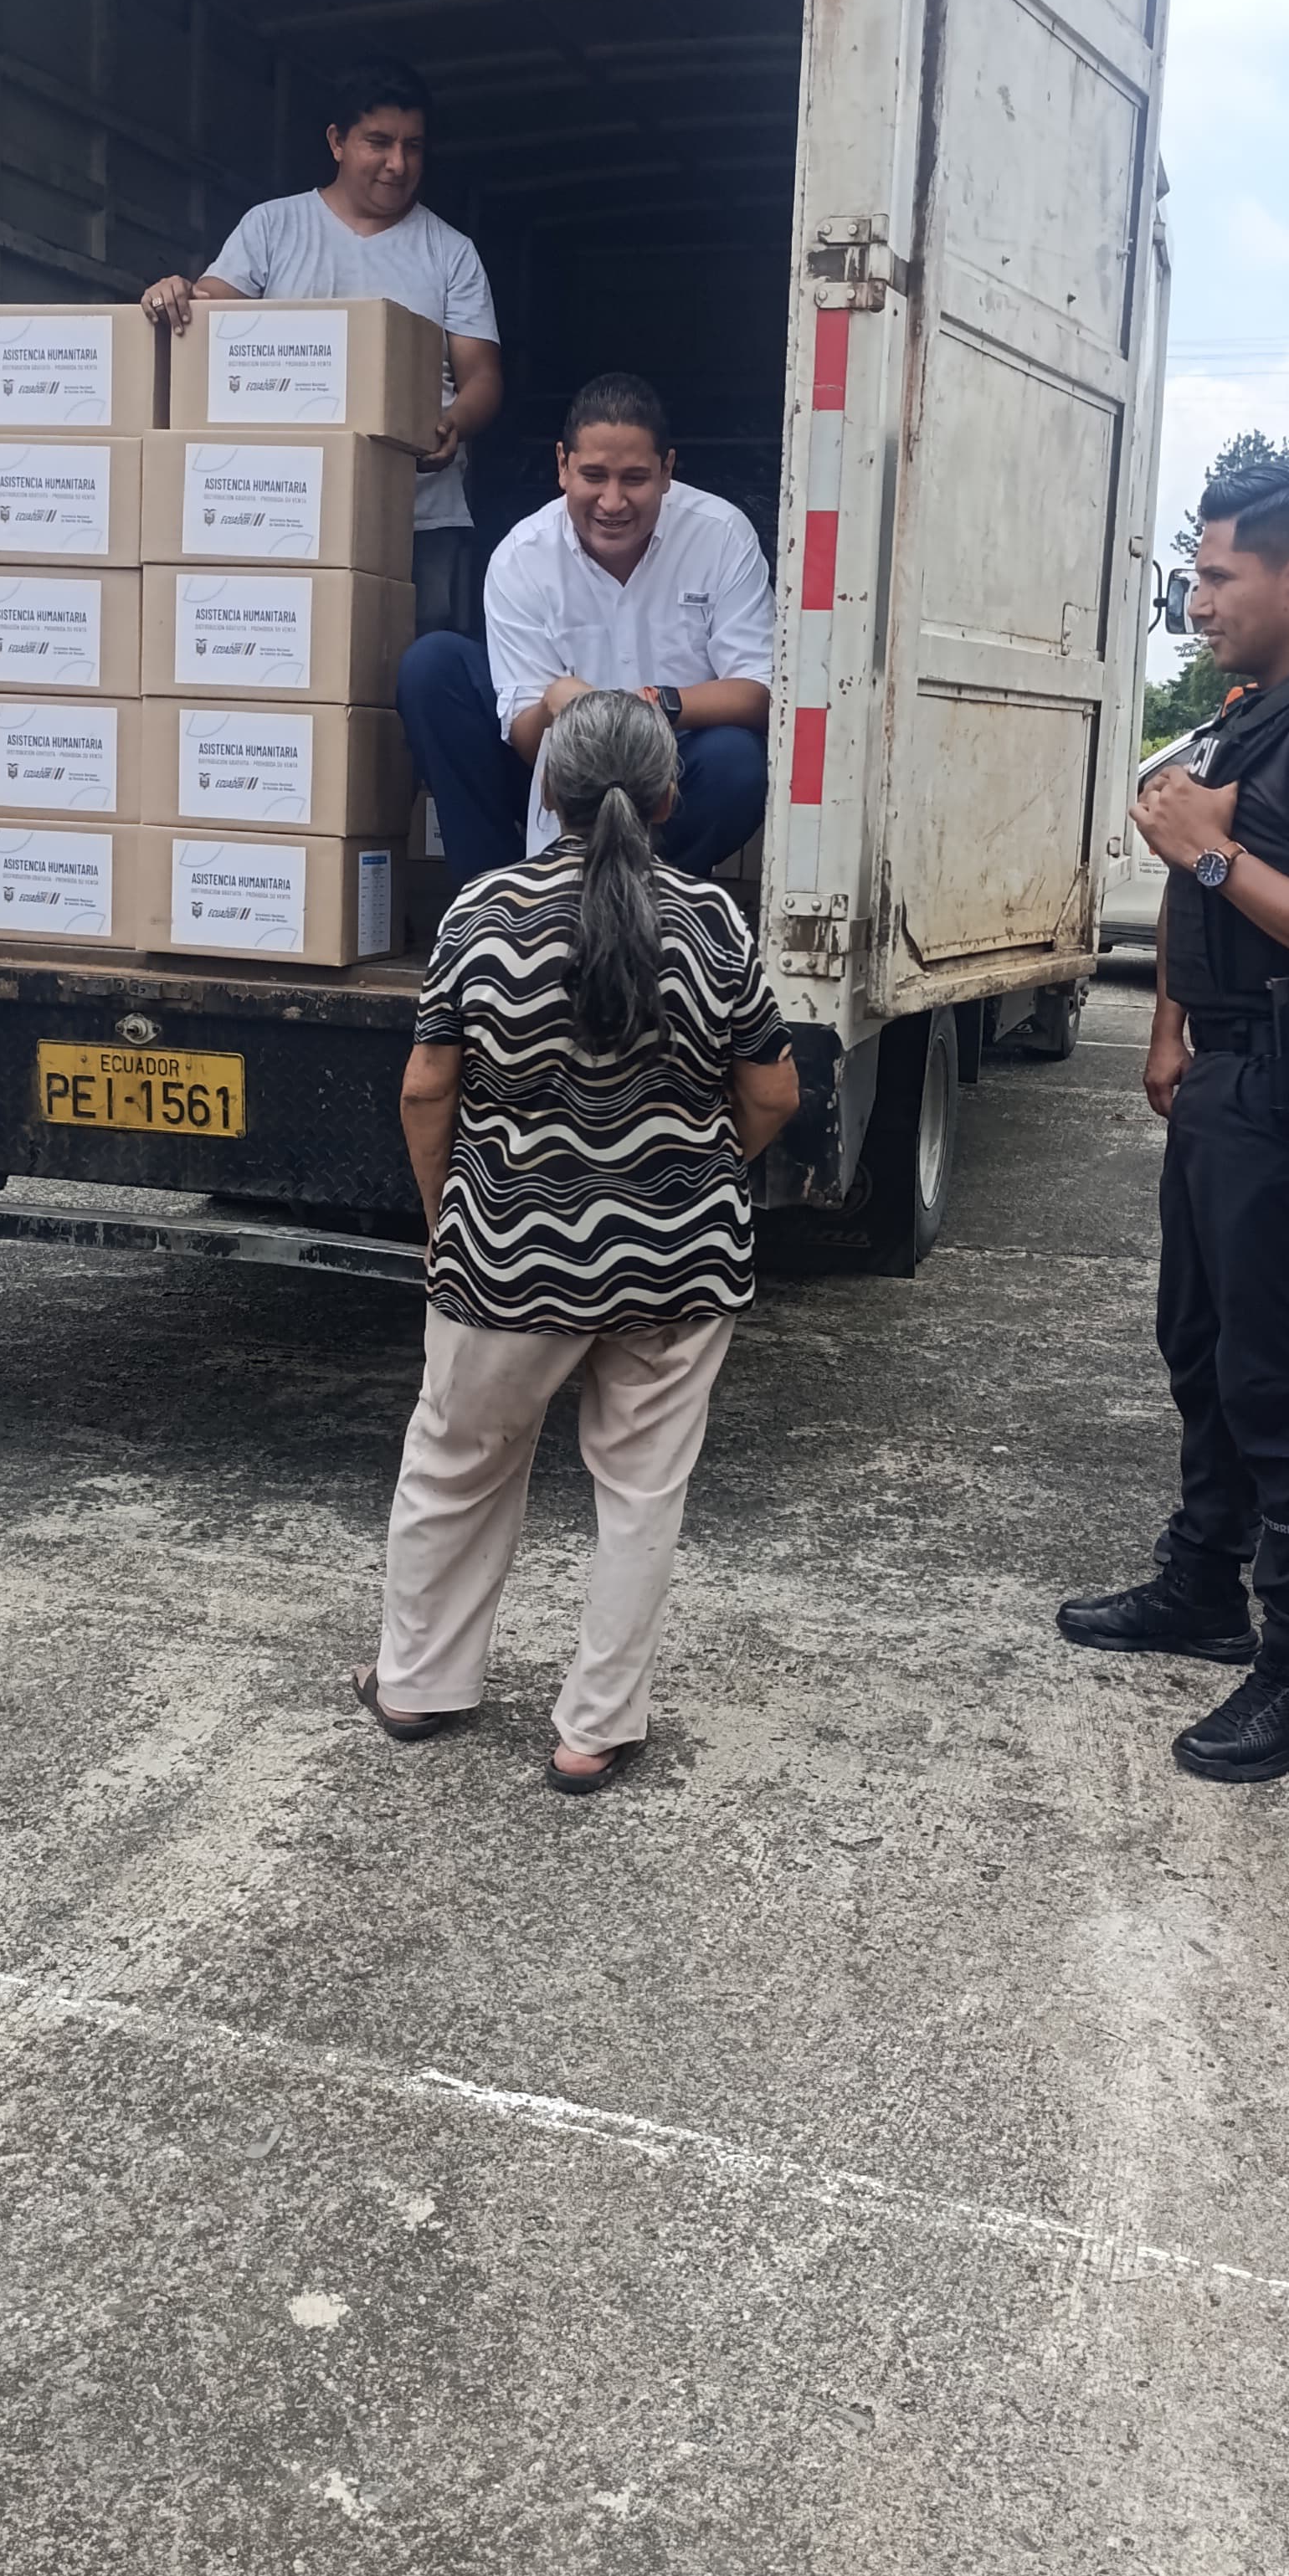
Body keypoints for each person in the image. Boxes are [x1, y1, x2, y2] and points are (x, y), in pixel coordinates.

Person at [1057, 464, 1289, 1784]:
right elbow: (1200, 884)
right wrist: (1170, 1023)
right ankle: (1202, 1584)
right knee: (1205, 1349)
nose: (1198, 601)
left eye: (1219, 577)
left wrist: (1211, 857)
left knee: (1281, 1385)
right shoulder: (1265, 710)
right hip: (1235, 1073)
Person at [356, 690, 799, 1792]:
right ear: (668, 797)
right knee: (642, 1493)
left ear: (548, 788)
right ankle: (594, 1731)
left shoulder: (481, 912)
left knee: (456, 1465)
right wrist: (702, 1172)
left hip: (509, 1252)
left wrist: (447, 1215)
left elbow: (426, 1089)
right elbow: (773, 1093)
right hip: (680, 1262)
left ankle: (417, 1684)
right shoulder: (714, 920)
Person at [141, 58, 502, 638]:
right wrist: (175, 294)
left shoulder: (451, 252)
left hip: (418, 514)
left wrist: (451, 423)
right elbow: (206, 315)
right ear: (337, 142)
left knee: (416, 661)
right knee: (288, 653)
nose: (398, 164)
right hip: (282, 504)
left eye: (413, 147)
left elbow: (481, 376)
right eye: (379, 143)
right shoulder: (272, 228)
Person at [399, 372, 773, 882]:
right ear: (563, 466)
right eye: (594, 476)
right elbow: (524, 736)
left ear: (667, 470)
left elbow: (759, 693)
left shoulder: (722, 535)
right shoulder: (521, 556)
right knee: (432, 667)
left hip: (670, 768)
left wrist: (644, 706)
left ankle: (647, 900)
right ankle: (499, 898)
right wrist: (555, 704)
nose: (612, 502)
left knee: (737, 762)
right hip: (557, 771)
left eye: (634, 479)